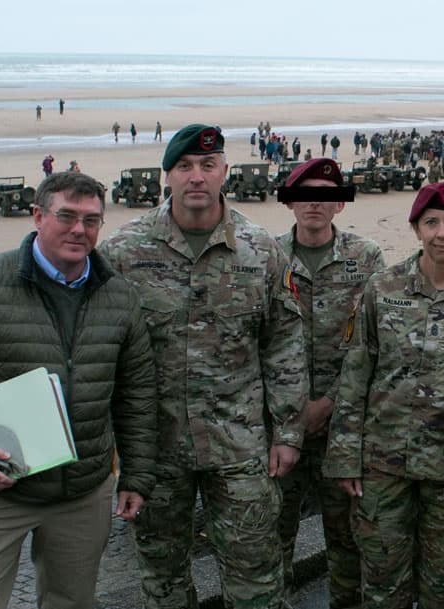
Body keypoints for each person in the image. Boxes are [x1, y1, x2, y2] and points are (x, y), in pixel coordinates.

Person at [0, 171, 159, 609]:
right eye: (66, 216)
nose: (79, 230)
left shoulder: (120, 297)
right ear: (38, 215)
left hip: (83, 493)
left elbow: (135, 394)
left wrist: (136, 474)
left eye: (91, 220)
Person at [98, 124, 307, 609]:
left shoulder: (260, 252)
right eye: (185, 167)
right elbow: (103, 349)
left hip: (240, 445)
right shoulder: (124, 253)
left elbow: (284, 345)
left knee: (256, 576)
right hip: (155, 449)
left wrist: (289, 432)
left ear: (224, 174)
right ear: (166, 176)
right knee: (163, 579)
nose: (197, 176)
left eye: (207, 166)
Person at [327, 182, 444, 609]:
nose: (441, 232)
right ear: (416, 229)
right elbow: (356, 377)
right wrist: (343, 458)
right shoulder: (382, 288)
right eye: (431, 223)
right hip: (382, 467)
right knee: (383, 587)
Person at [274, 158, 386, 609]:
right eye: (304, 193)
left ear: (339, 203)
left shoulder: (367, 258)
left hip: (344, 430)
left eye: (324, 193)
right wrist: (292, 411)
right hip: (280, 430)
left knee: (346, 542)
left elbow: (377, 343)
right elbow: (258, 342)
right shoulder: (267, 258)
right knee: (271, 540)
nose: (313, 201)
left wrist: (329, 403)